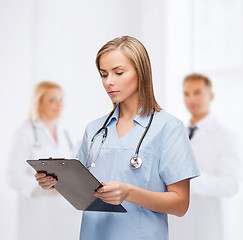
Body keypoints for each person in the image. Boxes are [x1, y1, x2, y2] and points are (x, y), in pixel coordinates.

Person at [35, 36, 200, 240]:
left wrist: (129, 193)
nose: (109, 82)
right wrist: (54, 183)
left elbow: (180, 204)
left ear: (141, 72)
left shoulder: (168, 128)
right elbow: (82, 189)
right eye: (104, 74)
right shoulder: (94, 130)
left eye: (118, 72)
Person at [168, 73, 242, 240]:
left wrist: (186, 181)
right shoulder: (177, 134)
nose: (191, 99)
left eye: (197, 92)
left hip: (207, 227)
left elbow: (232, 185)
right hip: (179, 226)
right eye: (186, 94)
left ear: (211, 96)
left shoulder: (226, 137)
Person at [7, 81, 81, 240]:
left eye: (61, 99)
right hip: (37, 212)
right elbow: (13, 177)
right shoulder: (25, 132)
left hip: (64, 211)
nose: (59, 104)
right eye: (52, 100)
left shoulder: (64, 132)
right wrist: (44, 186)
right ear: (39, 103)